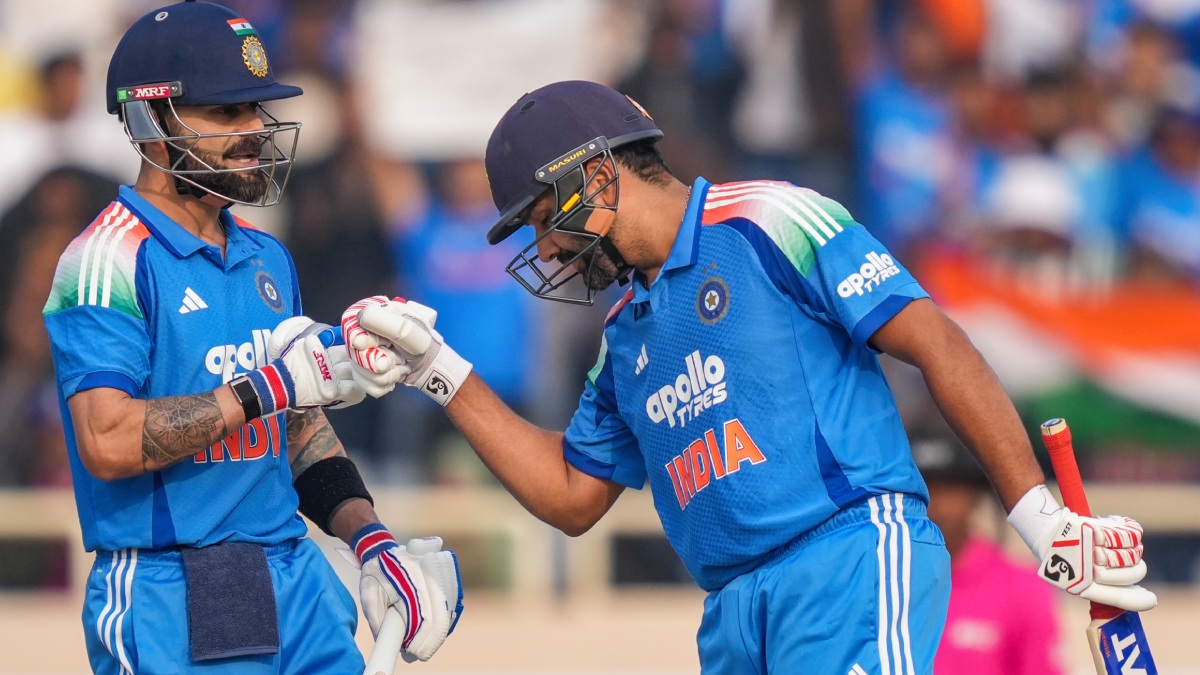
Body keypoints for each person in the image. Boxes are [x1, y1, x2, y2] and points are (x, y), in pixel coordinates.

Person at [341, 80, 1155, 673]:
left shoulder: (770, 217)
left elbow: (937, 342)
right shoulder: (623, 332)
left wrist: (1038, 515)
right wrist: (436, 368)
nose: (546, 249)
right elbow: (570, 496)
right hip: (732, 610)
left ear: (597, 176)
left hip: (847, 559)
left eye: (544, 220)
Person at [41, 2, 460, 672]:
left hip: (295, 575)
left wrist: (370, 539)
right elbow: (107, 440)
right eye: (227, 112)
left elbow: (296, 426)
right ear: (151, 122)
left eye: (254, 109)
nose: (255, 129)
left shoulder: (267, 255)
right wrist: (268, 386)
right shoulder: (106, 259)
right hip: (171, 586)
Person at [912, 431, 1064, 674]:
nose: (938, 505)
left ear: (975, 494)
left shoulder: (1021, 587)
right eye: (924, 490)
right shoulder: (874, 580)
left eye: (951, 488)